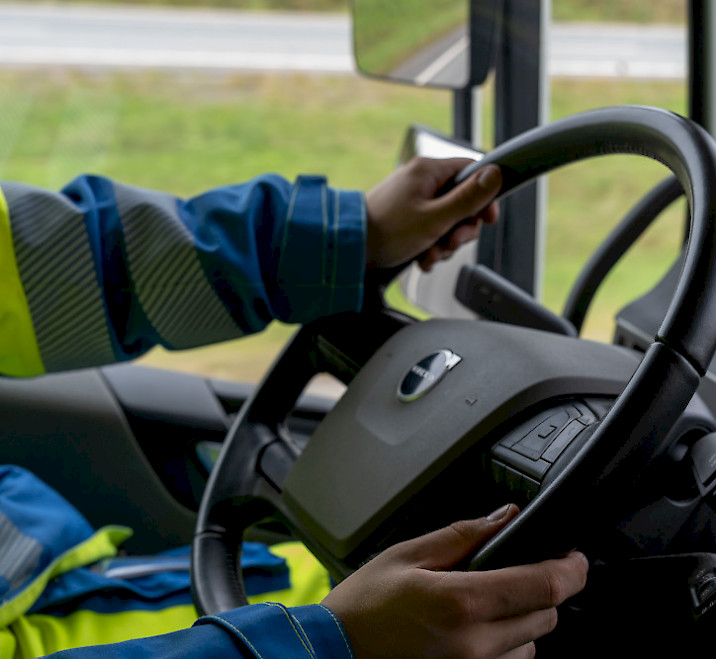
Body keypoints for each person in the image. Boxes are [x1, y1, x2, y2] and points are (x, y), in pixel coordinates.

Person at [0, 158, 589, 657]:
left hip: (52, 588)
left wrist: (346, 237)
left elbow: (28, 273)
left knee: (387, 585)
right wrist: (335, 646)